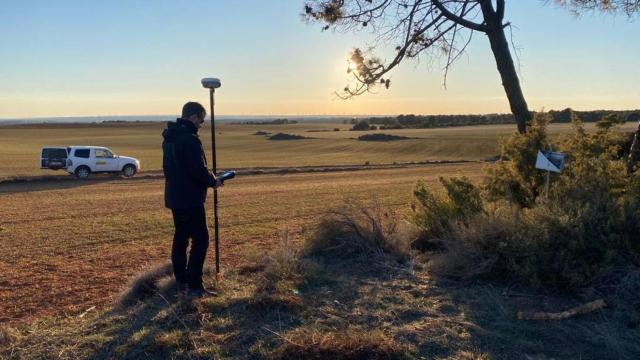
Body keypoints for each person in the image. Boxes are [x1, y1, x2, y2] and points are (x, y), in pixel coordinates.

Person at [162, 101, 222, 297]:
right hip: (190, 199)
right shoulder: (189, 139)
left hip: (175, 197)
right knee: (201, 240)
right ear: (194, 116)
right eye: (201, 120)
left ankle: (181, 283)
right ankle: (195, 286)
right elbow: (197, 170)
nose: (201, 124)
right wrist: (213, 181)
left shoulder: (170, 137)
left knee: (181, 239)